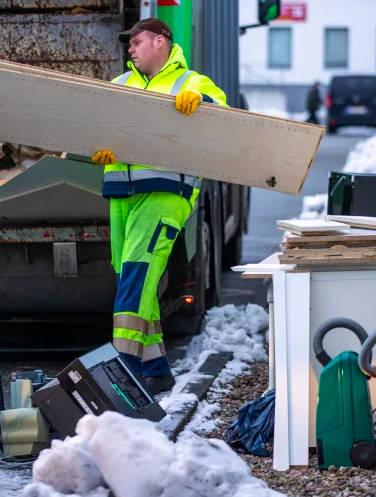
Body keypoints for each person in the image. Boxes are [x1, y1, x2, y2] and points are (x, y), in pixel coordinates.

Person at [91, 18, 227, 396]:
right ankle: (157, 367)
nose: (130, 49)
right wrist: (100, 148)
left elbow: (226, 117)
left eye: (136, 42)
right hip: (122, 196)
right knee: (132, 279)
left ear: (161, 42)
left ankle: (126, 374)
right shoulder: (121, 86)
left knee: (135, 280)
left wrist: (203, 104)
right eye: (129, 44)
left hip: (165, 195)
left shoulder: (190, 83)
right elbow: (100, 128)